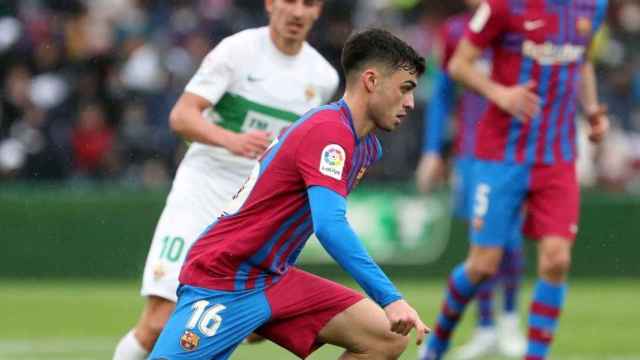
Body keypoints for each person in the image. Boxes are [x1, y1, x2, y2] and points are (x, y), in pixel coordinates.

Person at [149, 28, 429, 360]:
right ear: (371, 80)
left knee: (386, 338)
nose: (410, 103)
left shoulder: (366, 148)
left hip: (271, 279)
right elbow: (329, 226)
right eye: (405, 89)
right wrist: (390, 298)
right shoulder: (329, 132)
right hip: (224, 276)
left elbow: (294, 221)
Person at [112, 1, 340, 359]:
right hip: (203, 189)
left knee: (231, 326)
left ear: (319, 10)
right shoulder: (238, 51)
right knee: (159, 320)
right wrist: (232, 140)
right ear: (270, 4)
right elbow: (182, 116)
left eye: (308, 2)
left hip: (253, 209)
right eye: (289, 0)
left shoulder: (323, 77)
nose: (297, 11)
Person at [420, 0, 609, 359]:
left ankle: (534, 354)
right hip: (501, 155)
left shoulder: (593, 6)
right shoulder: (503, 6)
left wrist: (593, 111)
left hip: (559, 156)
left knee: (556, 259)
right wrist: (499, 93)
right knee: (482, 264)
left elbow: (581, 62)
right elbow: (459, 65)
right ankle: (438, 342)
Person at [415, 1, 525, 358]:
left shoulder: (524, 24)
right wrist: (433, 150)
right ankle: (487, 325)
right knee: (482, 239)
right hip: (471, 152)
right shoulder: (455, 32)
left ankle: (509, 320)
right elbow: (443, 94)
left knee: (508, 236)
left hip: (515, 149)